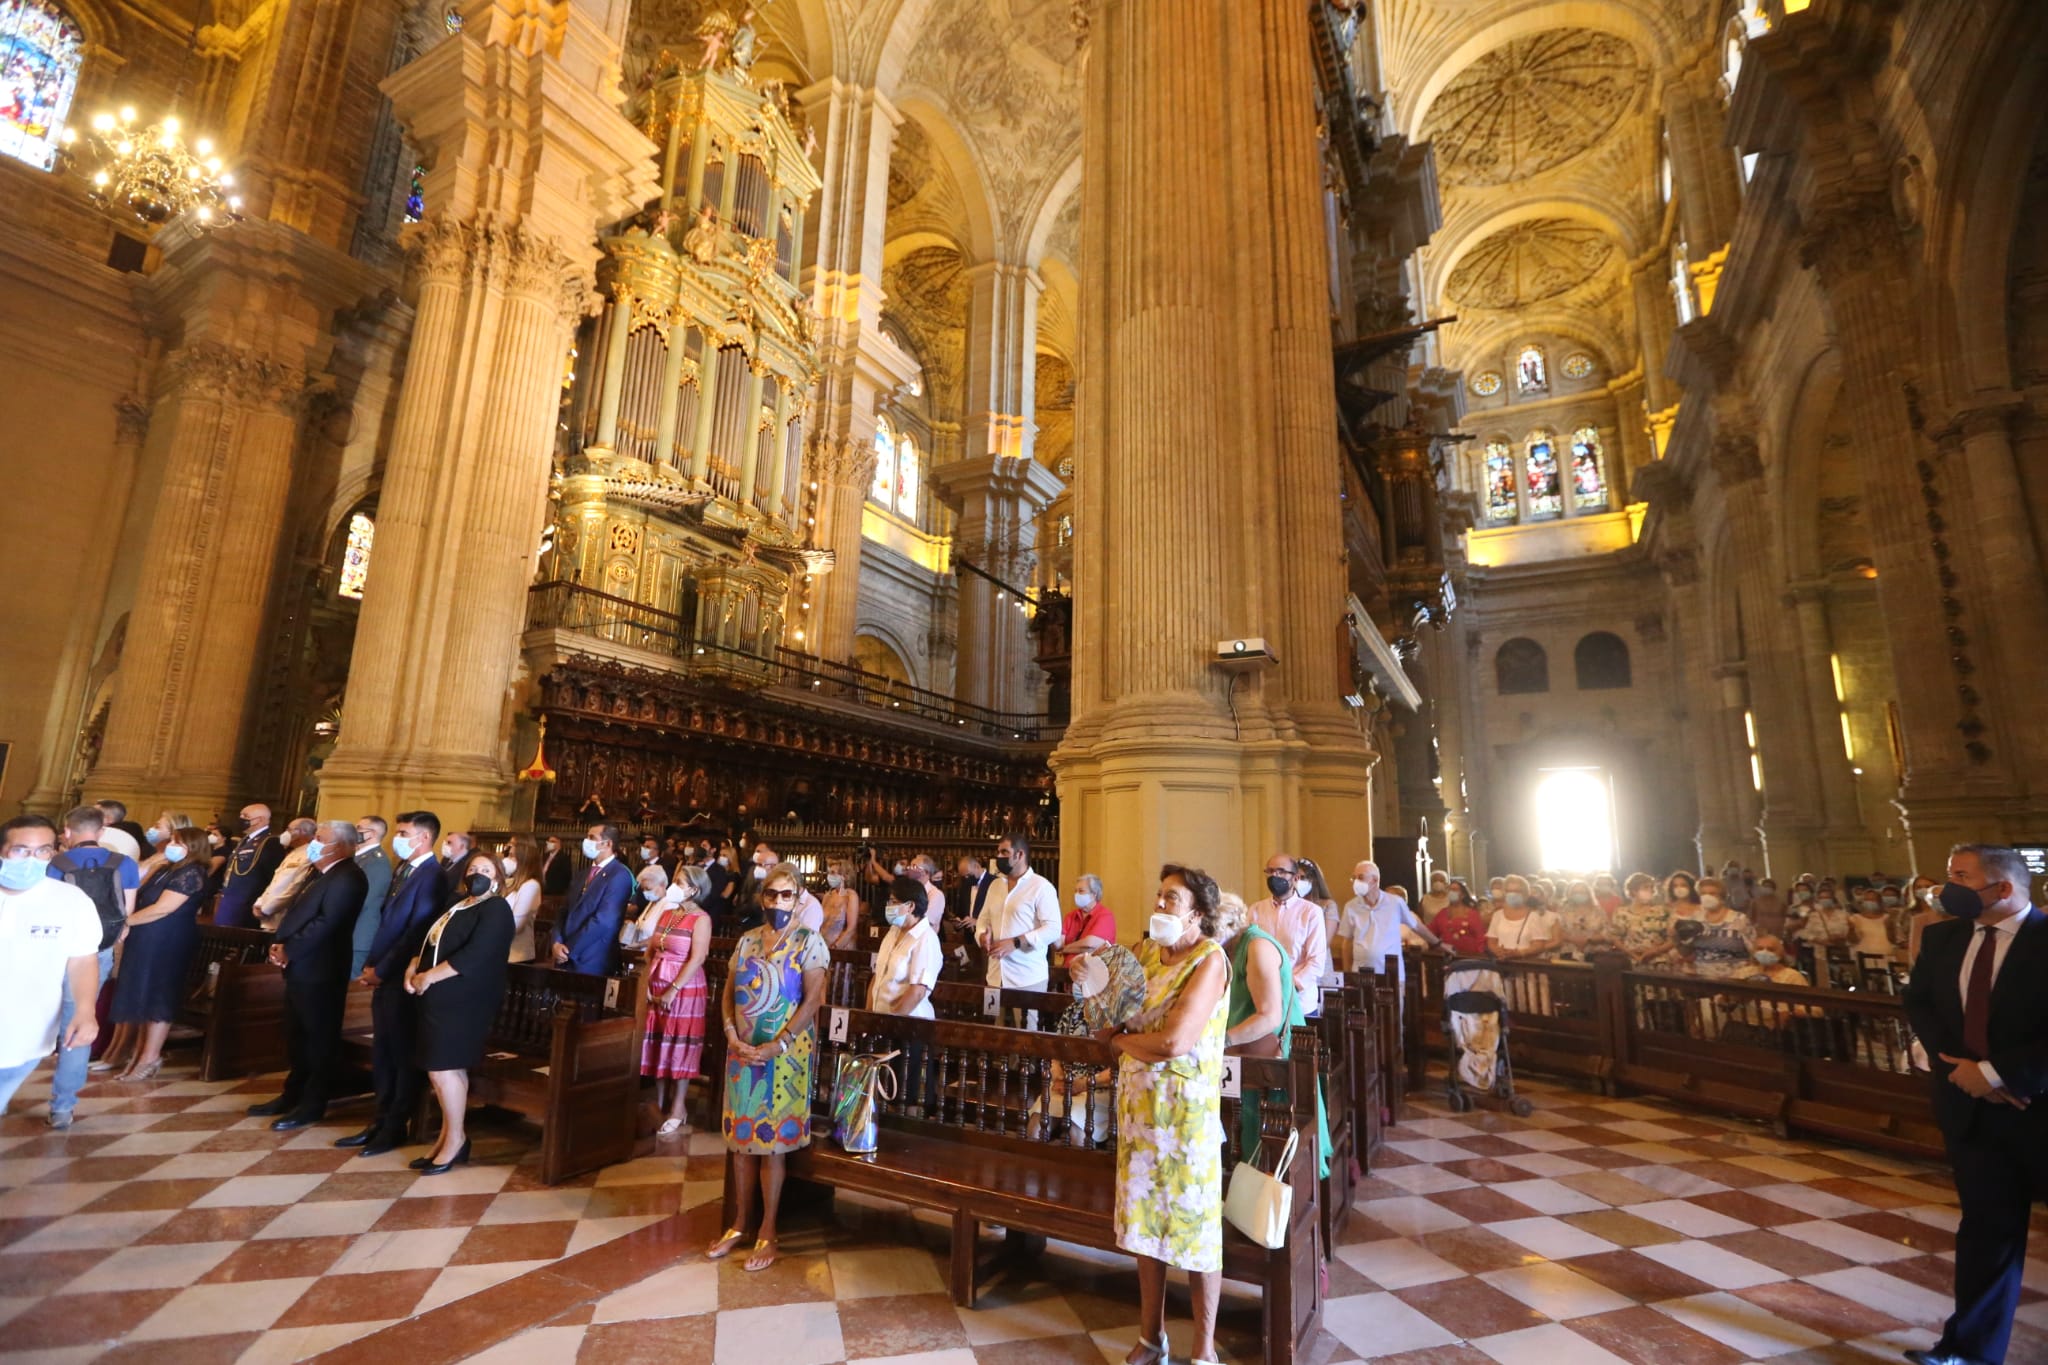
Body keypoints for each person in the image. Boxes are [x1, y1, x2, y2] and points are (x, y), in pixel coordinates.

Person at [1901, 845, 2048, 1365]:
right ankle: (1968, 1351)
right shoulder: (1943, 938)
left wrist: (1997, 1073)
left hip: (2039, 1104)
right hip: (1972, 1111)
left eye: (1961, 877)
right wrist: (1962, 1072)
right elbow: (1920, 1003)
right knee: (1987, 1232)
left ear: (2003, 888)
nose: (1948, 889)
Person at [1111, 863, 1231, 1365]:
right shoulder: (1145, 955)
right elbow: (1110, 1013)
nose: (1160, 906)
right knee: (1145, 1229)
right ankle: (1150, 1337)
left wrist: (1119, 1041)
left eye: (1172, 900)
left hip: (1186, 1121)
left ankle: (1203, 1351)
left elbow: (1174, 1042)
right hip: (1140, 1116)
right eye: (1159, 897)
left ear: (1198, 914)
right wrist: (1092, 980)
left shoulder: (1210, 960)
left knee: (1196, 1235)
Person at [709, 862, 830, 1273]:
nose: (778, 902)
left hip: (785, 1056)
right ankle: (740, 1223)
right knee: (742, 1141)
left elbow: (812, 1001)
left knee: (771, 1144)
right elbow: (728, 994)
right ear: (763, 898)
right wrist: (730, 1033)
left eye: (786, 895)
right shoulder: (746, 941)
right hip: (742, 1051)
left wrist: (779, 1042)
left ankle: (768, 1229)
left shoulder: (809, 942)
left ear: (798, 900)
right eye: (772, 895)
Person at [248, 822, 368, 1130]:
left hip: (321, 969)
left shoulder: (349, 877)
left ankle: (312, 1105)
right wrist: (280, 943)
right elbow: (300, 912)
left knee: (318, 1039)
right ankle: (292, 1095)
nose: (313, 843)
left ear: (339, 847)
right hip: (303, 965)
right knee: (297, 1035)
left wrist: (291, 949)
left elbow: (327, 923)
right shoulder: (321, 873)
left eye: (320, 839)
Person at [404, 849, 516, 1174]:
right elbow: (428, 942)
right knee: (443, 1069)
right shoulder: (458, 905)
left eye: (485, 868)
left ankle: (455, 1141)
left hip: (465, 998)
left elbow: (478, 953)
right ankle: (450, 1138)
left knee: (443, 1068)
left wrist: (429, 976)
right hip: (437, 995)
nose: (476, 873)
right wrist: (412, 969)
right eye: (472, 868)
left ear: (497, 875)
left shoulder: (496, 908)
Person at [346, 809, 445, 1156]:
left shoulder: (433, 876)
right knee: (384, 1051)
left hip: (402, 978)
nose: (397, 839)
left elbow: (415, 932)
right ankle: (380, 1118)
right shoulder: (405, 869)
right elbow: (386, 923)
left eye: (403, 833)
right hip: (384, 973)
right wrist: (372, 964)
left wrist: (383, 969)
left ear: (424, 838)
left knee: (402, 1054)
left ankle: (395, 1125)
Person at [0, 817, 102, 1116]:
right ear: (3, 851)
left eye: (42, 851)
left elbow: (83, 959)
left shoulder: (70, 901)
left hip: (26, 1031)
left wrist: (86, 1011)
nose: (32, 859)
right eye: (21, 850)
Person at [1219, 890, 1327, 1172]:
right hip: (1245, 1050)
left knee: (1270, 1146)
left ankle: (1274, 1207)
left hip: (1272, 1052)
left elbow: (1268, 1016)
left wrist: (1220, 1041)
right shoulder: (1228, 947)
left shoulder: (1257, 947)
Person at [44, 806, 137, 1125]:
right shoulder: (124, 863)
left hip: (54, 947)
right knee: (78, 1021)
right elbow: (127, 913)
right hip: (97, 949)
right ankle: (62, 1107)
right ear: (101, 832)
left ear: (67, 832)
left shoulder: (58, 862)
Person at [101, 825, 208, 1080]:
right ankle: (138, 1053)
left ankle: (150, 1057)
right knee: (142, 995)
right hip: (147, 937)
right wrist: (157, 859)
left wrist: (126, 923)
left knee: (159, 996)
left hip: (168, 939)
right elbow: (137, 881)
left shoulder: (193, 873)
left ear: (193, 847)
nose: (171, 845)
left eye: (177, 842)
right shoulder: (168, 869)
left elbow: (163, 908)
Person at [640, 866, 713, 1136]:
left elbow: (698, 957)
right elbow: (651, 950)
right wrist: (646, 981)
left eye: (679, 882)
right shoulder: (668, 913)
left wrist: (673, 988)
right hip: (656, 984)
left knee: (680, 1044)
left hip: (684, 988)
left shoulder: (700, 918)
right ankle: (658, 1102)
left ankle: (678, 1107)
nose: (674, 885)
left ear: (694, 889)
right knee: (660, 1042)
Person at [976, 832, 1062, 997]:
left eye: (1004, 852)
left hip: (1027, 977)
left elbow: (1053, 929)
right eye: (998, 852)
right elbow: (983, 919)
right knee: (994, 1023)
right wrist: (981, 935)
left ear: (1020, 854)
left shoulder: (1041, 887)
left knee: (1025, 1023)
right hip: (995, 974)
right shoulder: (995, 885)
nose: (999, 856)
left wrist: (1016, 942)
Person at [1335, 861, 1440, 988]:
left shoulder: (1395, 903)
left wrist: (1438, 943)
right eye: (1354, 878)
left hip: (1391, 973)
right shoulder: (1351, 906)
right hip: (1361, 974)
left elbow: (1416, 926)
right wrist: (1348, 975)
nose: (1356, 882)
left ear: (1374, 880)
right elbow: (1347, 943)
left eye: (1360, 877)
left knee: (1393, 1006)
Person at [552, 822, 633, 975]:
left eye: (591, 837)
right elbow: (564, 911)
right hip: (563, 953)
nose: (586, 841)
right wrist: (556, 942)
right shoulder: (582, 873)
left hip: (592, 957)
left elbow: (604, 921)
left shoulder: (619, 875)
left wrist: (569, 949)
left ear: (607, 844)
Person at [1250, 850, 1330, 996]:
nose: (1275, 876)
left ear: (1295, 878)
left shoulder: (1311, 912)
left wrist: (1290, 985)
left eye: (1281, 871)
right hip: (1262, 995)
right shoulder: (1256, 910)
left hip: (1298, 998)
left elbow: (1316, 961)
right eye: (1270, 871)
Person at [213, 803, 286, 929]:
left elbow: (272, 876)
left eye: (245, 816)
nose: (241, 818)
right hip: (230, 899)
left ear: (261, 820)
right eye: (241, 815)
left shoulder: (270, 842)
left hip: (246, 904)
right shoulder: (246, 840)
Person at [252, 817, 319, 930]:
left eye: (289, 829)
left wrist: (267, 909)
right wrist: (259, 903)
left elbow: (294, 887)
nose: (286, 833)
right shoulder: (293, 852)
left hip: (282, 917)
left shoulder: (310, 854)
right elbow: (275, 882)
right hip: (268, 916)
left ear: (302, 832)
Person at [1680, 876, 1754, 978]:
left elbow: (1753, 949)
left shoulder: (1739, 919)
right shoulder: (1695, 919)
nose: (1707, 897)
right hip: (1702, 978)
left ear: (1722, 896)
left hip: (1735, 979)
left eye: (1712, 893)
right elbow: (1687, 953)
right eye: (1703, 893)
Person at [350, 816, 393, 977]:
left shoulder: (376, 862)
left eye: (359, 828)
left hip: (357, 936)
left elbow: (364, 901)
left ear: (372, 833)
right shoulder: (358, 857)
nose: (355, 831)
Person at [1612, 872, 1677, 968]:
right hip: (1630, 962)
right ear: (1634, 891)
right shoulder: (1621, 913)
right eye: (1646, 887)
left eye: (1651, 888)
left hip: (1659, 961)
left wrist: (1655, 951)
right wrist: (1633, 954)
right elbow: (1616, 938)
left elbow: (1673, 939)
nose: (1650, 890)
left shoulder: (1662, 911)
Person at [1486, 875, 1559, 959]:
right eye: (1508, 891)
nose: (1512, 894)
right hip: (1501, 963)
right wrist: (1498, 951)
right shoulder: (1497, 915)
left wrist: (1520, 953)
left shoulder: (1533, 916)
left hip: (1525, 963)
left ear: (1525, 894)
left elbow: (1539, 944)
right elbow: (1491, 941)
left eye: (1517, 891)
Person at [502, 835, 543, 963]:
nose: (507, 860)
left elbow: (515, 926)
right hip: (499, 952)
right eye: (508, 856)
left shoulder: (531, 885)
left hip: (516, 956)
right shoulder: (507, 882)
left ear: (524, 857)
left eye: (512, 857)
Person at [1059, 872, 1116, 964]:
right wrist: (1077, 947)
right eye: (1075, 891)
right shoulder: (1071, 916)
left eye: (1081, 891)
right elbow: (1058, 945)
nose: (1076, 895)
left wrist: (1066, 948)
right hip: (1067, 970)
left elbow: (1090, 944)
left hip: (1092, 973)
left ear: (1094, 894)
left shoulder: (1105, 915)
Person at [1555, 879, 1613, 961]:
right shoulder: (1562, 911)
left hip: (1596, 952)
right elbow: (1557, 931)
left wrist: (1588, 939)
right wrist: (1574, 940)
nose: (1579, 895)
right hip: (1569, 951)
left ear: (1589, 894)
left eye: (1582, 892)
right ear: (1570, 895)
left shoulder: (1598, 911)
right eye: (1575, 893)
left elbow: (1607, 932)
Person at [1431, 879, 1489, 957]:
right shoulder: (1442, 914)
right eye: (1450, 889)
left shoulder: (1472, 914)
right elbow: (1430, 932)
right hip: (1447, 956)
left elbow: (1480, 937)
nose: (1451, 892)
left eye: (1455, 890)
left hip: (1470, 957)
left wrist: (1480, 956)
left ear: (1463, 895)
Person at [1295, 856, 1341, 944]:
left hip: (1319, 955)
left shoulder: (1328, 905)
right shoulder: (1291, 905)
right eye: (1296, 878)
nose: (1298, 882)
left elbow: (1325, 941)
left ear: (1314, 880)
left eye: (1303, 878)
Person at [818, 858, 862, 949]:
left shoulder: (851, 896)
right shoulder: (827, 895)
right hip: (823, 946)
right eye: (829, 872)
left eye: (833, 873)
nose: (829, 876)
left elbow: (851, 929)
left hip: (842, 949)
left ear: (844, 876)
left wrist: (835, 947)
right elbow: (820, 923)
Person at [907, 854, 946, 931]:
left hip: (924, 939)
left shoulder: (936, 894)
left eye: (914, 867)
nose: (910, 870)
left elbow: (926, 921)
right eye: (910, 867)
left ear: (925, 872)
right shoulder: (908, 891)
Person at [438, 831, 475, 904]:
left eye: (449, 843)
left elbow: (460, 893)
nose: (445, 845)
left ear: (461, 846)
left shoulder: (469, 865)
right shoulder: (445, 859)